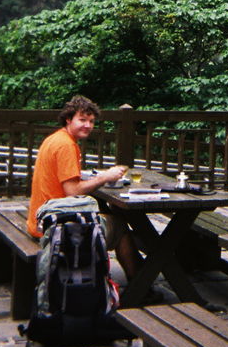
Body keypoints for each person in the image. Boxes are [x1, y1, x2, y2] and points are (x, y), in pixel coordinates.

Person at [27, 95, 142, 281]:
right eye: (82, 120)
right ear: (68, 119)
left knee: (105, 212)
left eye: (91, 121)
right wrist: (105, 177)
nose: (87, 125)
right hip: (55, 226)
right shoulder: (66, 146)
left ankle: (142, 275)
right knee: (120, 226)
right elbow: (72, 191)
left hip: (40, 218)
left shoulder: (55, 139)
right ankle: (141, 286)